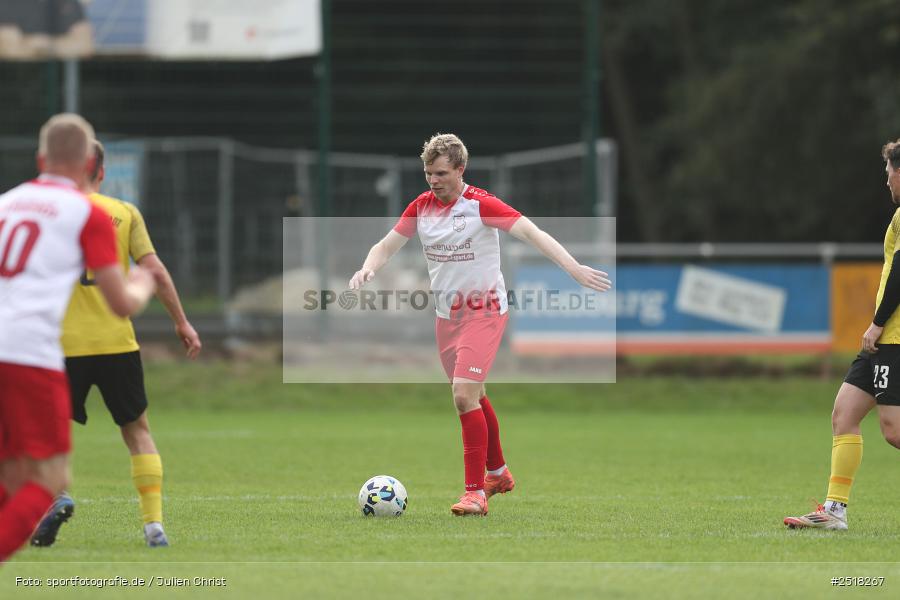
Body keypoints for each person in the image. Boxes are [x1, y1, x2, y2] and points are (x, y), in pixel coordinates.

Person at [350, 133, 611, 516]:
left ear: (460, 169)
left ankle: (475, 493)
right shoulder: (420, 207)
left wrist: (573, 269)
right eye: (427, 173)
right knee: (474, 394)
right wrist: (368, 267)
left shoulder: (480, 205)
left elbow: (531, 233)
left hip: (485, 312)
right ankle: (499, 473)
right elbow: (386, 245)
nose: (433, 180)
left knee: (462, 395)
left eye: (440, 173)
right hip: (446, 317)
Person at [31, 140, 202, 549]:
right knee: (137, 430)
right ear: (101, 172)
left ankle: (55, 498)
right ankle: (153, 525)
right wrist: (181, 321)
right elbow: (154, 271)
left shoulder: (47, 213)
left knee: (42, 433)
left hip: (61, 345)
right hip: (117, 343)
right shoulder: (124, 213)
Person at [0, 114, 156, 562]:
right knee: (47, 482)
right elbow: (120, 302)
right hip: (31, 355)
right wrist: (143, 284)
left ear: (40, 158)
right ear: (90, 161)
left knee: (10, 474)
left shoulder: (7, 203)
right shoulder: (86, 212)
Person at [784, 139, 900, 530]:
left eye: (889, 174)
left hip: (895, 338)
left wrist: (877, 323)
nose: (887, 182)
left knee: (894, 430)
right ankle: (834, 511)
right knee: (844, 414)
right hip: (884, 340)